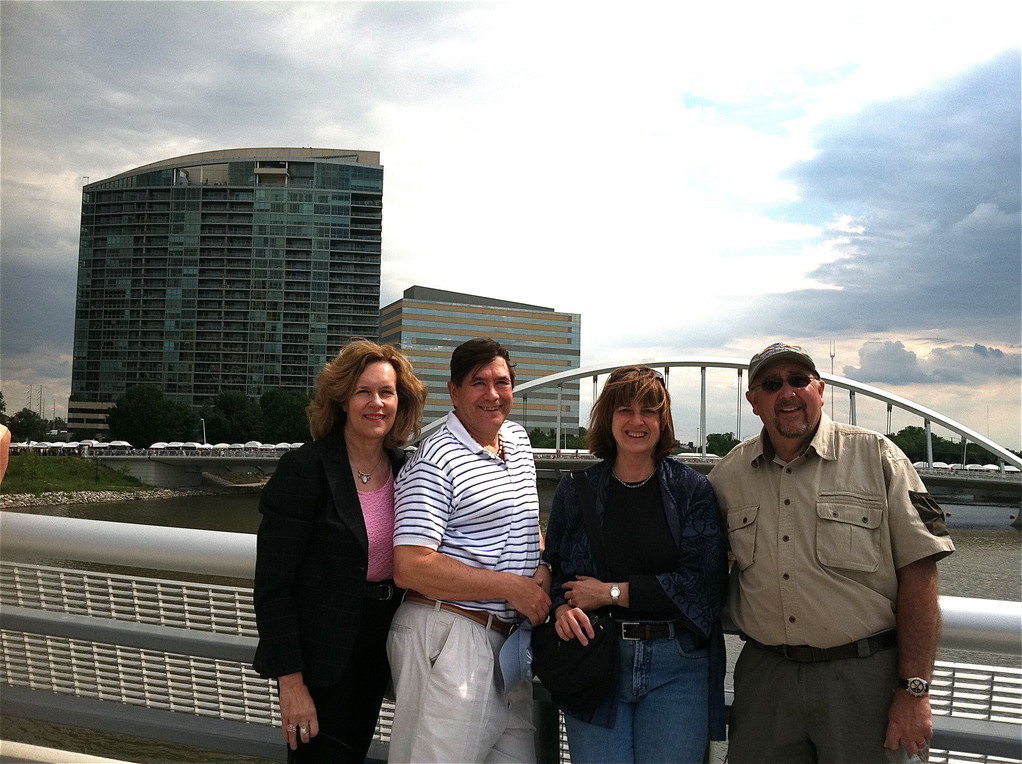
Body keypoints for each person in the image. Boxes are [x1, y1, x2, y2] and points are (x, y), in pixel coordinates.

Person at [708, 342, 956, 764]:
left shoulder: (878, 457)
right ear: (753, 401)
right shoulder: (728, 476)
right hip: (766, 678)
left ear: (820, 390)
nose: (787, 392)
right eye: (771, 384)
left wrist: (914, 691)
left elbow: (920, 573)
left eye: (799, 380)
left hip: (864, 679)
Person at [542, 365, 729, 763]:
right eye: (624, 410)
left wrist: (609, 592)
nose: (637, 421)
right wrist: (560, 608)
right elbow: (557, 571)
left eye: (650, 411)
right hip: (596, 660)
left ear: (663, 422)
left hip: (677, 664)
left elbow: (702, 586)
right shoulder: (576, 493)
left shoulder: (692, 490)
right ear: (608, 419)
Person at [252, 339, 427, 762]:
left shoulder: (409, 470)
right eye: (363, 391)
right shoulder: (305, 469)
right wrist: (290, 684)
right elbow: (273, 586)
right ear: (343, 398)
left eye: (387, 392)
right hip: (320, 657)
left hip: (380, 646)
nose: (377, 403)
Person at [387, 337, 552, 764]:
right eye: (478, 383)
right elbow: (410, 565)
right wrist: (511, 587)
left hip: (508, 645)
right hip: (450, 633)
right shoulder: (436, 457)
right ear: (454, 391)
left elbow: (526, 522)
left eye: (502, 382)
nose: (493, 394)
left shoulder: (517, 441)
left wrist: (542, 564)